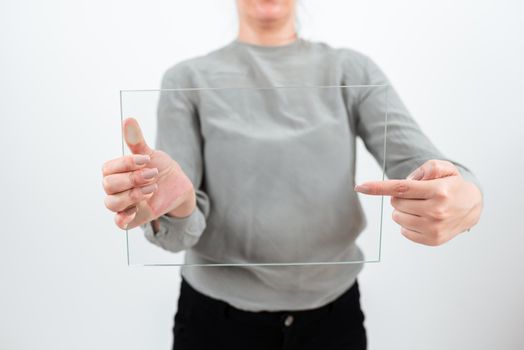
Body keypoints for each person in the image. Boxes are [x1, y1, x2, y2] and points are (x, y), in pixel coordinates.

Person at [101, 0, 483, 349]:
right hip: (215, 323)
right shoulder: (187, 80)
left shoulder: (350, 70)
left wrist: (467, 194)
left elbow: (428, 168)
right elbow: (180, 231)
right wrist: (178, 206)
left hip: (333, 320)